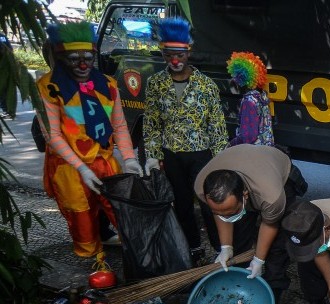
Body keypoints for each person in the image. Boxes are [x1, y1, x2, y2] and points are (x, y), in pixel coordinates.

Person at [36, 22, 141, 258]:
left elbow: (120, 126)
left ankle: (131, 251)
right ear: (61, 57)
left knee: (121, 210)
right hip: (70, 166)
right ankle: (93, 261)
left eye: (88, 58)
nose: (83, 65)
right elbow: (52, 135)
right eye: (74, 59)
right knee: (80, 215)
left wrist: (129, 158)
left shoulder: (109, 85)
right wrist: (82, 168)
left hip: (104, 159)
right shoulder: (47, 87)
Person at [144, 17, 227, 258]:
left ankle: (221, 247)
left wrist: (221, 159)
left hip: (201, 155)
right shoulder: (156, 84)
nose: (175, 60)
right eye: (169, 54)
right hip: (172, 156)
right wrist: (153, 156)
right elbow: (151, 123)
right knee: (181, 205)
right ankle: (193, 247)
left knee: (210, 201)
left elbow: (217, 125)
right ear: (163, 53)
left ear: (188, 52)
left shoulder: (206, 85)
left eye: (180, 54)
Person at [194, 144, 296, 304]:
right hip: (242, 164)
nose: (225, 216)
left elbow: (270, 224)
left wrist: (259, 260)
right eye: (220, 212)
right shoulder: (202, 186)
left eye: (231, 211)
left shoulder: (271, 196)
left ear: (245, 196)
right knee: (238, 242)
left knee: (276, 250)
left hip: (275, 172)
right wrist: (226, 247)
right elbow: (220, 212)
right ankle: (237, 290)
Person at [227, 51, 274, 147]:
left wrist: (231, 144)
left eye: (236, 77)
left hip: (253, 155)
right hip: (267, 151)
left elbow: (249, 137)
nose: (235, 81)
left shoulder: (249, 102)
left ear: (243, 79)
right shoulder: (262, 97)